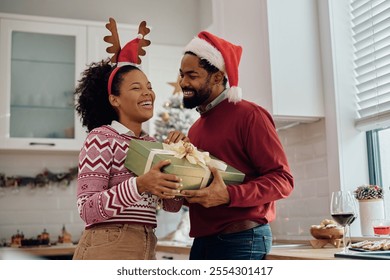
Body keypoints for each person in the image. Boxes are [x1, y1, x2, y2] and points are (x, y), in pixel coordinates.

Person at [72, 19, 186, 260]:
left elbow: (172, 206)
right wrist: (140, 184)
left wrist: (178, 159)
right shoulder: (101, 138)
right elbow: (87, 210)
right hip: (108, 244)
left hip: (146, 243)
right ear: (115, 100)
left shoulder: (153, 143)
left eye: (149, 86)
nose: (147, 93)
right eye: (136, 88)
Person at [178, 31, 294, 260]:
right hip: (203, 242)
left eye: (192, 75)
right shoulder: (195, 129)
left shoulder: (250, 115)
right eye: (181, 75)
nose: (183, 83)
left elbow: (283, 180)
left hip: (241, 240)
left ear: (218, 77)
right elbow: (204, 189)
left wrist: (229, 195)